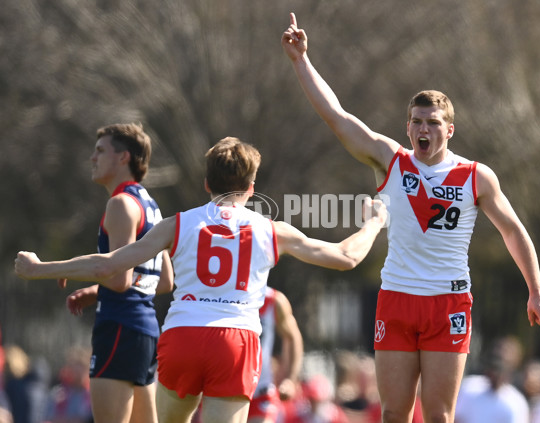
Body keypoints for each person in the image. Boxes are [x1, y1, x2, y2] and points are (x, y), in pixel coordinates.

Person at [281, 13, 540, 423]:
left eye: (433, 123)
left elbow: (512, 230)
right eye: (417, 122)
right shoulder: (391, 160)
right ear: (408, 127)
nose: (423, 130)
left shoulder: (475, 176)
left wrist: (537, 289)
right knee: (394, 413)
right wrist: (301, 60)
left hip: (448, 303)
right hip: (397, 299)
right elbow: (337, 117)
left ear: (450, 131)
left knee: (439, 416)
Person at [15, 136, 387, 423]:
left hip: (183, 336)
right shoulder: (272, 230)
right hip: (236, 341)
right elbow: (346, 257)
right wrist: (373, 222)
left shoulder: (178, 224)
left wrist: (42, 268)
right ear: (252, 187)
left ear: (206, 183)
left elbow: (108, 265)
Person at [28, 123, 174, 423]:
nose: (92, 158)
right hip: (145, 333)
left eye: (100, 151)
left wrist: (39, 269)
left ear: (124, 158)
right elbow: (163, 281)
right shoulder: (152, 207)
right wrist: (98, 291)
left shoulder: (121, 204)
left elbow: (117, 277)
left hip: (119, 327)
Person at [248, 287, 303, 423]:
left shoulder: (273, 299)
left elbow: (293, 337)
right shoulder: (220, 295)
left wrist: (291, 379)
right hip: (223, 387)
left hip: (261, 390)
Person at [454, 340, 530, 423]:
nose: (496, 371)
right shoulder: (469, 386)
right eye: (496, 361)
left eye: (502, 365)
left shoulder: (517, 403)